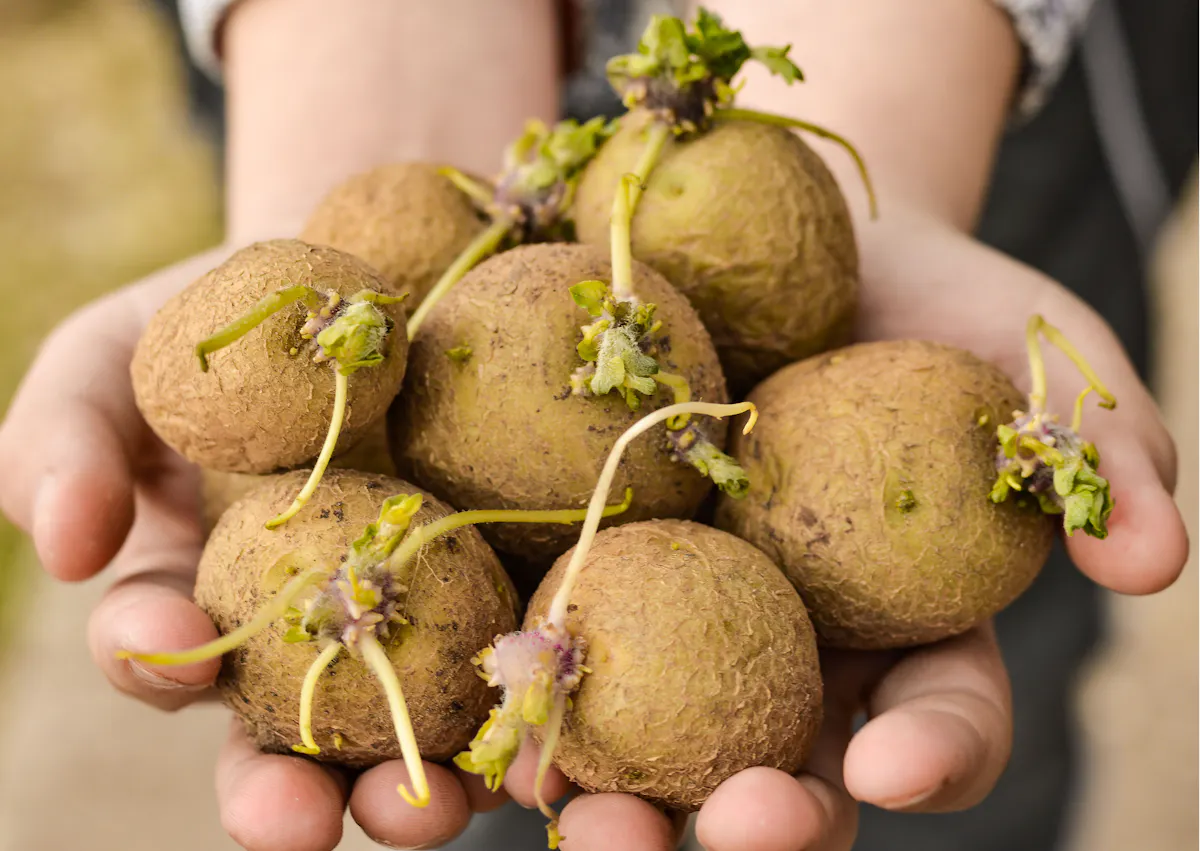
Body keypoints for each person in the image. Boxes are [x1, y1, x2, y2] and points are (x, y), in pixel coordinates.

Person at [0, 1, 1193, 850]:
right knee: (504, 792)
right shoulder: (373, 376)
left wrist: (889, 66)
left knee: (954, 765)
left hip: (963, 90)